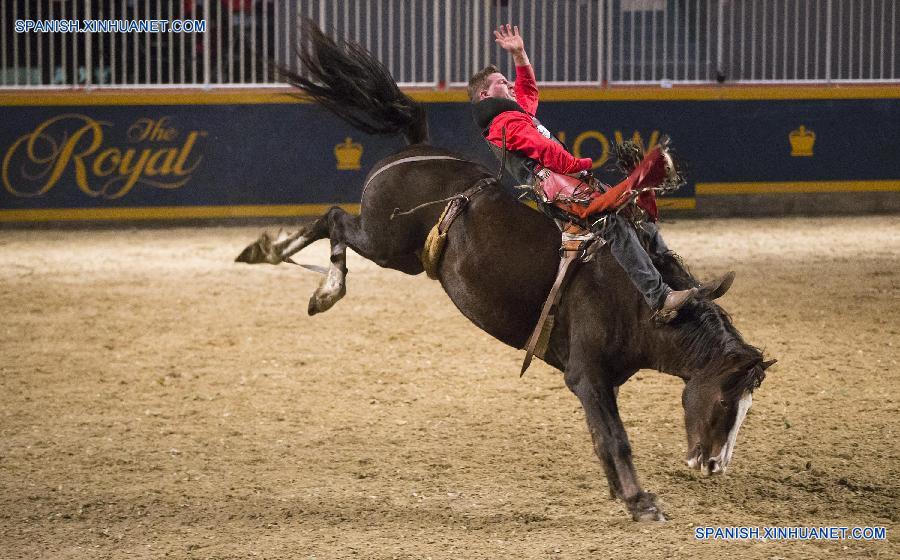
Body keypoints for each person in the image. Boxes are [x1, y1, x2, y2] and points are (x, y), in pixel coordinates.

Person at [468, 25, 731, 322]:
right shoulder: (503, 123)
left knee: (638, 218)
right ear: (485, 94)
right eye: (502, 82)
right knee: (614, 225)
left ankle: (685, 286)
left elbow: (528, 91)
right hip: (560, 193)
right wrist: (579, 164)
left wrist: (519, 54)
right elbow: (545, 151)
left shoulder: (512, 114)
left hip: (569, 186)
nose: (510, 85)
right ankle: (660, 299)